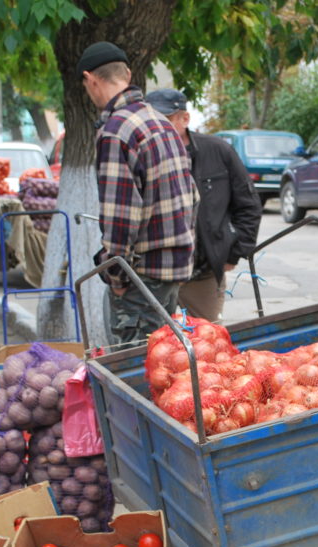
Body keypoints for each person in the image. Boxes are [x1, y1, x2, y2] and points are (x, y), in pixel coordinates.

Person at [77, 41, 198, 346]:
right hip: (172, 268)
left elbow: (121, 218)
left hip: (141, 278)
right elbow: (192, 197)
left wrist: (117, 278)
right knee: (164, 366)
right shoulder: (162, 122)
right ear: (127, 73)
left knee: (136, 372)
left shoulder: (116, 130)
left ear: (91, 80)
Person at [145, 88, 261, 322]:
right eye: (152, 121)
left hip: (202, 273)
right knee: (154, 346)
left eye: (165, 120)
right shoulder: (144, 153)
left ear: (185, 119)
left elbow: (248, 205)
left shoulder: (217, 151)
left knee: (207, 344)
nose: (158, 128)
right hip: (155, 273)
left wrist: (233, 254)